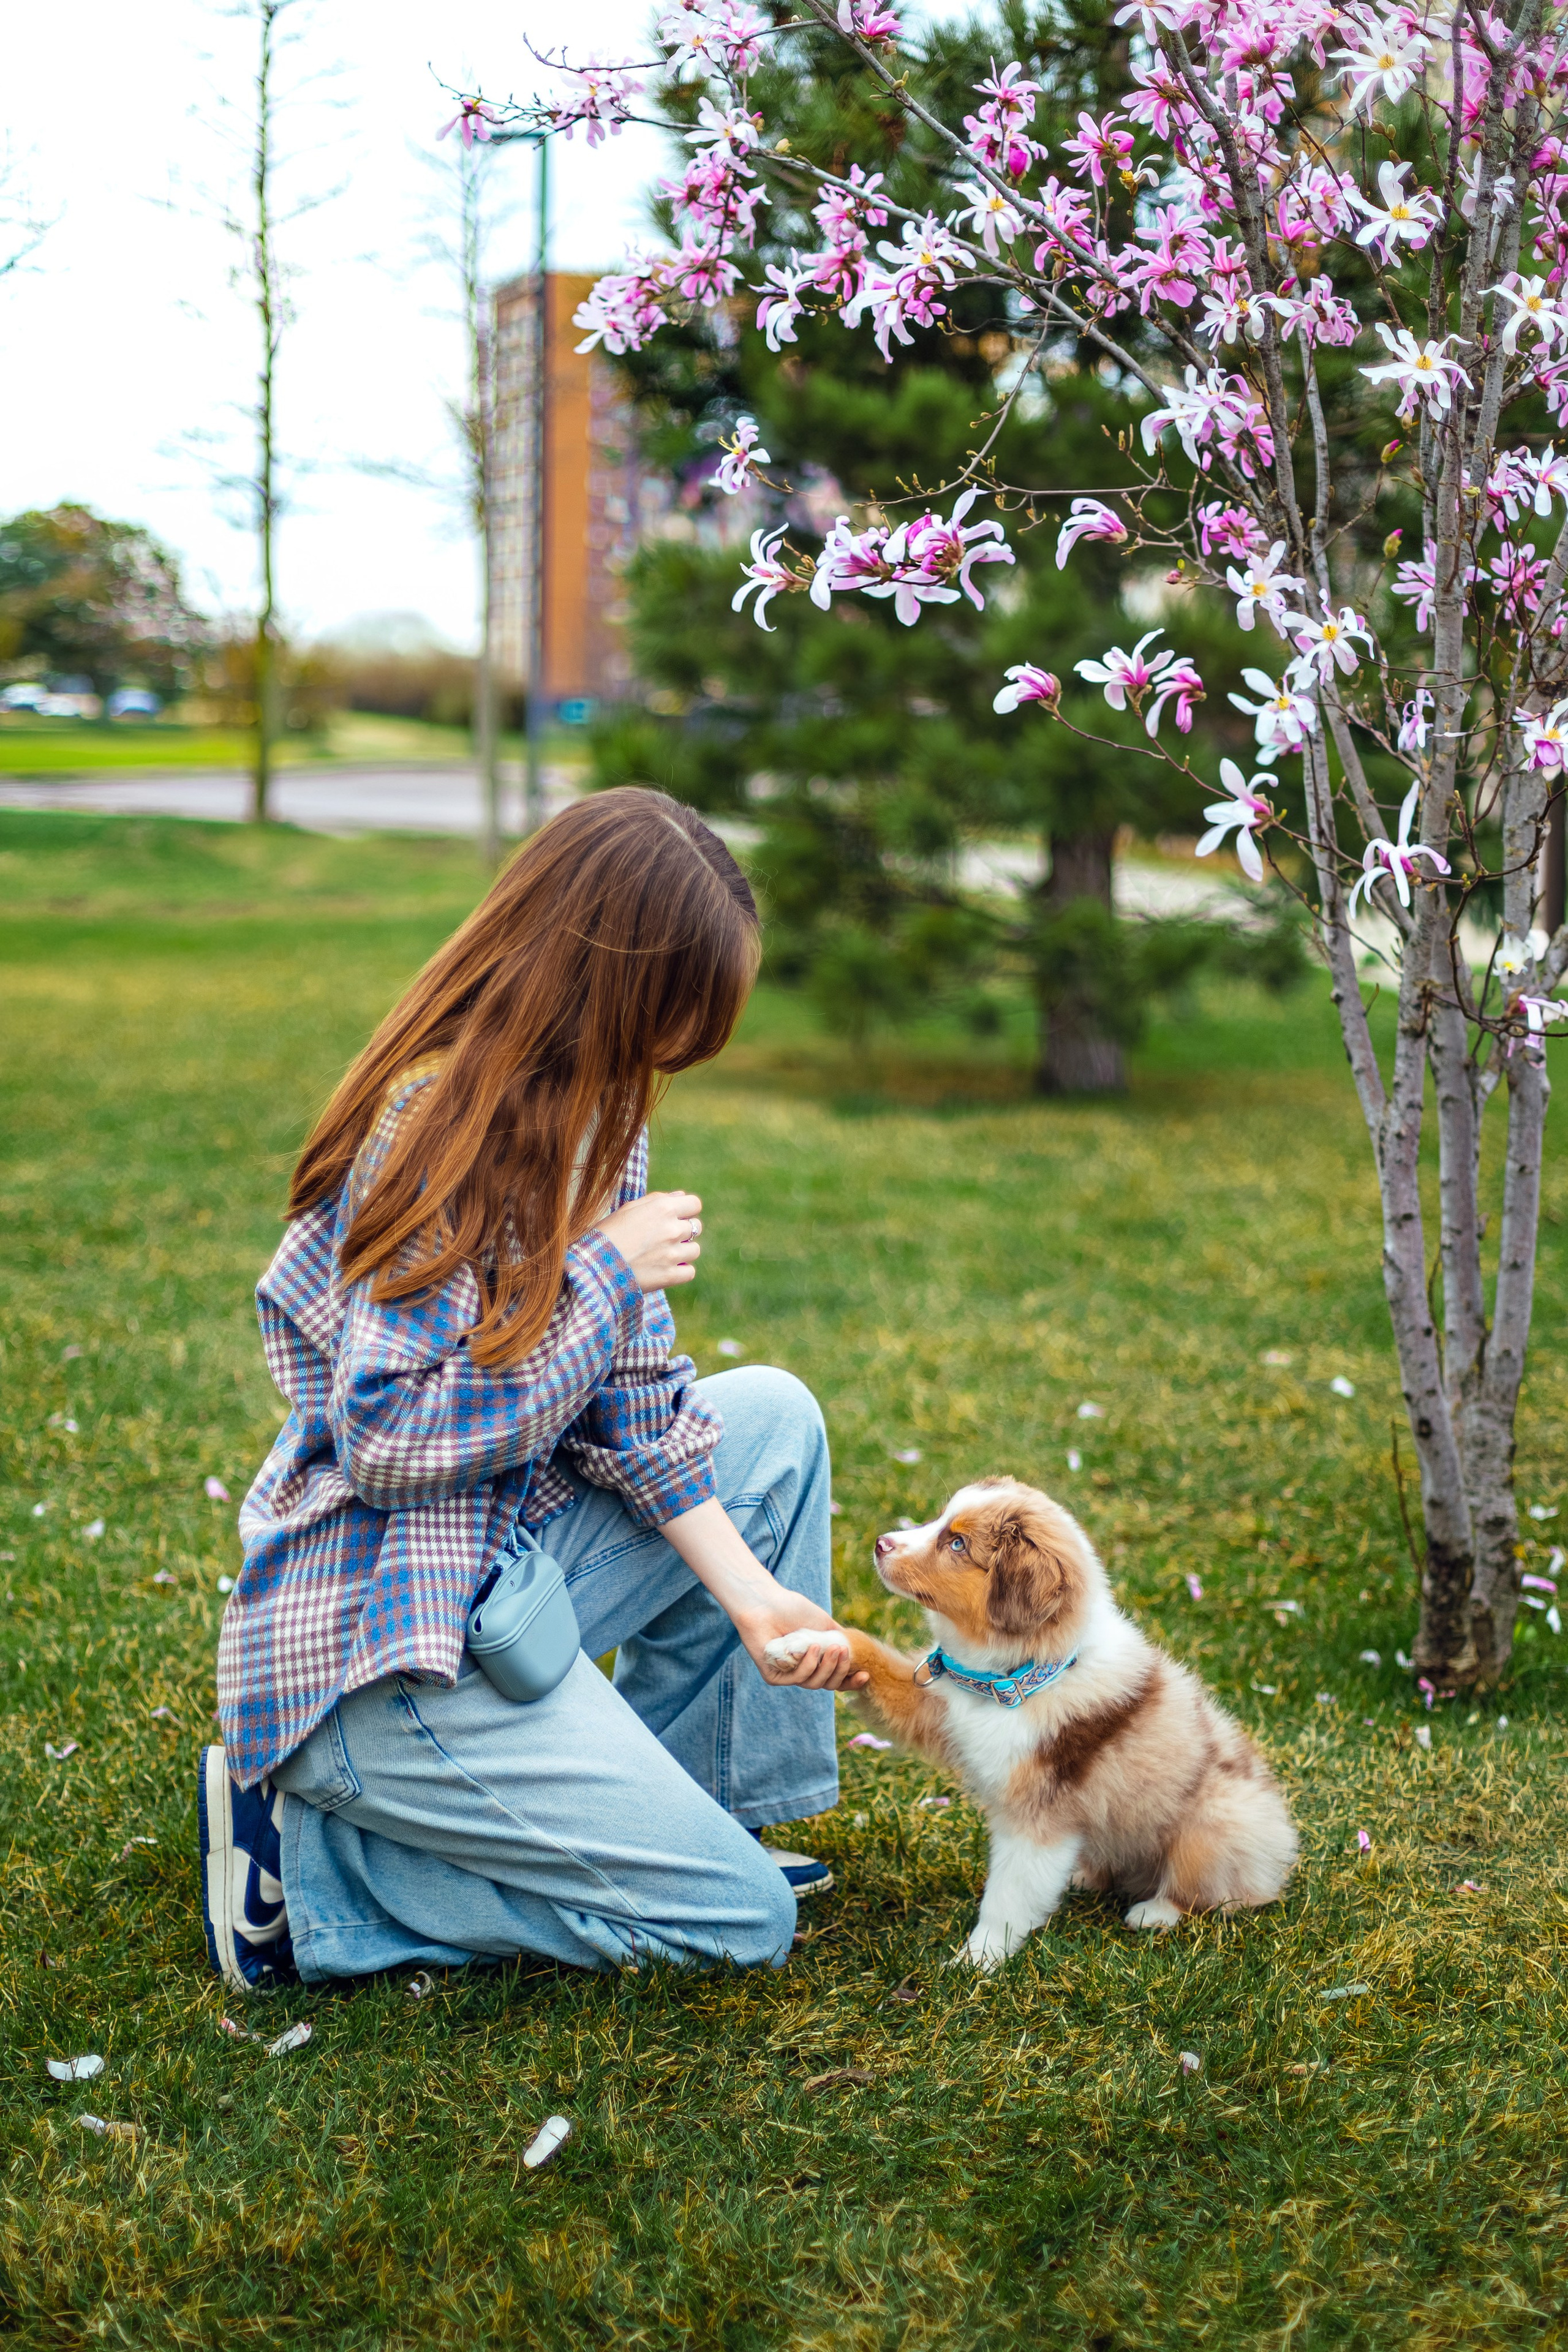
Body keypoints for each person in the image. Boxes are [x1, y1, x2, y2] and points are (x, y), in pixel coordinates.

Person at [198, 788, 865, 1992]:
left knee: (769, 1418)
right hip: (380, 1643)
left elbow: (636, 1404)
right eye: (674, 1018)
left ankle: (700, 1813)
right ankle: (322, 1882)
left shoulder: (600, 1109)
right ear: (605, 978)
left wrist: (758, 1601)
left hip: (494, 1569)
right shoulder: (434, 1125)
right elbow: (387, 1437)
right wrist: (605, 1272)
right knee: (742, 1926)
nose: (677, 1055)